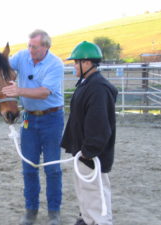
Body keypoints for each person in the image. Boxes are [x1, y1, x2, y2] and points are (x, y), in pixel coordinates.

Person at [1, 29, 65, 225]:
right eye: (29, 45)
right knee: (28, 167)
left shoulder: (55, 64)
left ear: (45, 47)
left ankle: (54, 212)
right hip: (29, 119)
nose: (30, 50)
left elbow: (45, 92)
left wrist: (19, 90)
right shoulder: (22, 56)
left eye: (34, 47)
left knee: (52, 167)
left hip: (52, 119)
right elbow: (2, 66)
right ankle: (31, 210)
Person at [61, 41, 118, 225]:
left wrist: (89, 150)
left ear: (86, 63)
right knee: (86, 193)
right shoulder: (88, 84)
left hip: (91, 155)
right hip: (83, 152)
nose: (73, 66)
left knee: (95, 195)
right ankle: (86, 220)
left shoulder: (98, 88)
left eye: (75, 62)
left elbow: (100, 125)